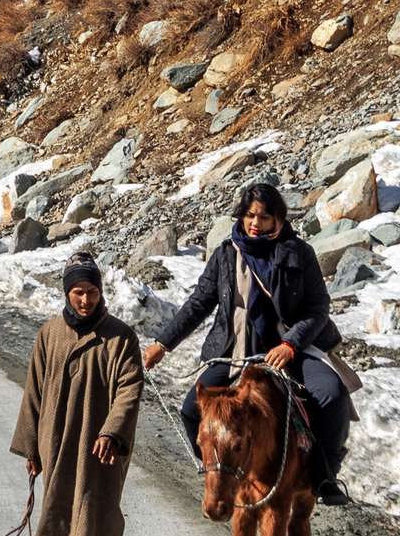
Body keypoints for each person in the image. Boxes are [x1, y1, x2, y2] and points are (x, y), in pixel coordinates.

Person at [141, 178, 352, 504]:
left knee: (331, 395)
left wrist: (290, 344)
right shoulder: (226, 254)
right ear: (241, 215)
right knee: (190, 410)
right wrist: (163, 344)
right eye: (250, 215)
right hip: (233, 349)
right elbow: (199, 303)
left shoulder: (299, 253)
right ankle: (215, 469)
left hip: (288, 350)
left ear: (278, 219)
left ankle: (324, 476)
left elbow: (318, 309)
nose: (256, 224)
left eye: (265, 217)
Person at [10, 254, 146, 536]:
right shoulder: (50, 334)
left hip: (102, 450)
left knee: (99, 521)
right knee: (61, 517)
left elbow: (130, 388)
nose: (85, 300)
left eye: (91, 292)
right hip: (57, 445)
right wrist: (32, 449)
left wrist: (111, 431)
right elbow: (33, 393)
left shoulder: (120, 338)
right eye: (77, 292)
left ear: (100, 292)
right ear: (67, 293)